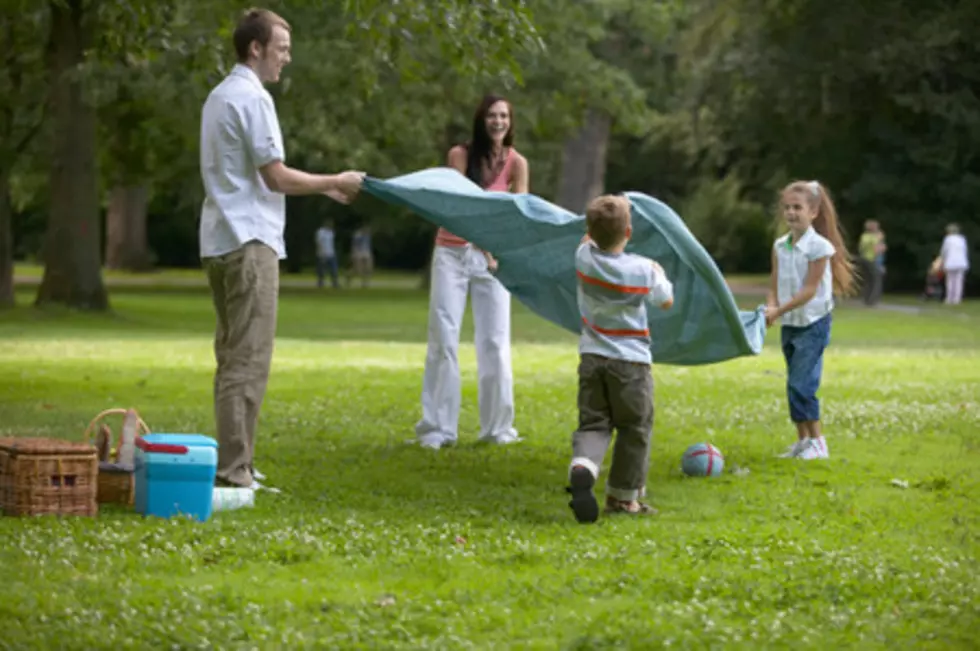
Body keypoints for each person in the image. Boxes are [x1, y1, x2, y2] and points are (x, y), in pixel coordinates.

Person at [199, 8, 364, 489]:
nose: (287, 59)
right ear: (256, 47)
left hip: (219, 240)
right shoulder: (253, 98)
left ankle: (239, 462)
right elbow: (275, 175)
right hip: (249, 241)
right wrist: (335, 180)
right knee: (247, 360)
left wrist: (323, 189)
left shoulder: (218, 96)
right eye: (282, 49)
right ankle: (234, 471)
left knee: (233, 356)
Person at [414, 94, 529, 450]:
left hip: (492, 262)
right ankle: (437, 429)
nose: (498, 122)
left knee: (495, 342)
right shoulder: (460, 156)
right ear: (481, 120)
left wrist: (500, 252)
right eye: (492, 116)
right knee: (444, 338)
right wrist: (481, 241)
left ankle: (498, 429)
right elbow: (454, 206)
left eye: (504, 116)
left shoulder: (517, 163)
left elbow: (518, 214)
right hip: (452, 254)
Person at [565, 195, 674, 523]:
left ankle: (583, 465)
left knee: (594, 423)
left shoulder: (583, 257)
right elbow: (666, 301)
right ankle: (623, 498)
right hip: (631, 364)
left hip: (592, 358)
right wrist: (660, 272)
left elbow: (590, 238)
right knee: (634, 427)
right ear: (629, 231)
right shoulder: (642, 270)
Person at [764, 180, 856, 461]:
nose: (791, 213)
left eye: (798, 207)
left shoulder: (820, 247)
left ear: (813, 212)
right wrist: (770, 306)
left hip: (813, 323)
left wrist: (777, 311)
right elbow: (774, 283)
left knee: (803, 384)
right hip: (791, 323)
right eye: (787, 207)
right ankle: (803, 442)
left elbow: (808, 291)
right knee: (793, 382)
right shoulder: (780, 245)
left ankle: (819, 442)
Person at [939, 223, 969, 305]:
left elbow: (944, 252)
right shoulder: (962, 239)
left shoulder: (948, 239)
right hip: (961, 262)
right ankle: (957, 299)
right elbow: (965, 251)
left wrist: (941, 261)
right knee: (959, 281)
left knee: (950, 281)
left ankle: (949, 298)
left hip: (950, 262)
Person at [857, 219, 885, 306]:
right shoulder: (874, 238)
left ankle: (866, 299)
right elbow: (878, 250)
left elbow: (861, 248)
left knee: (867, 280)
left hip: (863, 259)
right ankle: (872, 301)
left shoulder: (864, 236)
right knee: (876, 280)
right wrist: (881, 243)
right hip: (872, 259)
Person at [314, 219, 339, 289]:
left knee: (334, 269)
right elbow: (319, 243)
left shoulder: (331, 233)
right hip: (322, 253)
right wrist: (321, 253)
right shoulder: (320, 232)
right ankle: (320, 282)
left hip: (331, 253)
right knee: (321, 269)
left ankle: (335, 283)